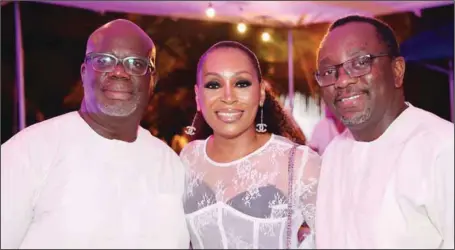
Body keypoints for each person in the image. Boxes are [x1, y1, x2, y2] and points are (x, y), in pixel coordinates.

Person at [1, 19, 189, 249]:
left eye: (135, 63)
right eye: (104, 61)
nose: (119, 71)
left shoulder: (171, 166)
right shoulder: (28, 152)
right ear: (83, 72)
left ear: (152, 80)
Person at [314, 15, 454, 249]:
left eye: (359, 63)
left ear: (397, 70)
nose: (341, 81)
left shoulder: (442, 150)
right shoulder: (334, 153)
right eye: (329, 71)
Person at [179, 41, 321, 249]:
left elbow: (335, 237)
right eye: (213, 85)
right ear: (198, 96)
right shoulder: (188, 158)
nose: (228, 97)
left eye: (241, 83)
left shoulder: (298, 163)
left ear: (261, 93)